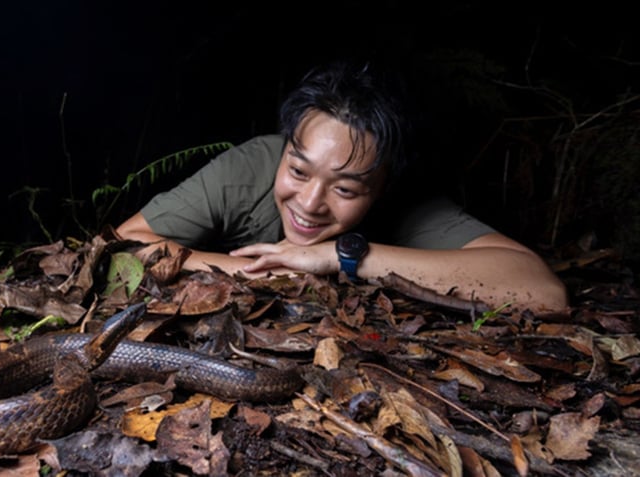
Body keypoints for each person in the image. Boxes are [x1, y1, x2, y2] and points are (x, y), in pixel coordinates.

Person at [116, 60, 568, 313]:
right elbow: (127, 242)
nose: (310, 203)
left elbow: (543, 292)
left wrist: (338, 258)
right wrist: (277, 273)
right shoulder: (250, 165)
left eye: (346, 190)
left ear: (383, 186)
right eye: (297, 171)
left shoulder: (408, 204)